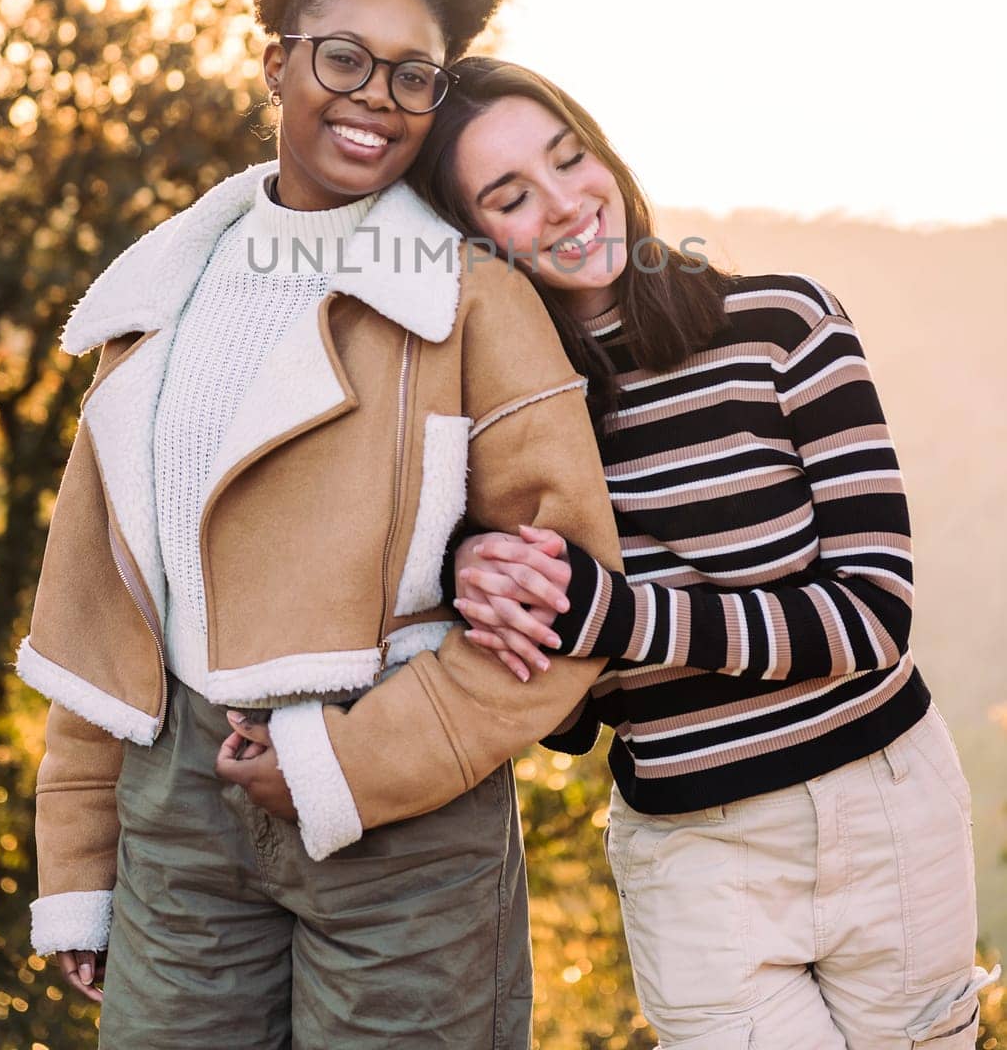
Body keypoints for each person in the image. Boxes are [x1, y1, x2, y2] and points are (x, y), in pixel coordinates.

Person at [17, 0, 622, 1050]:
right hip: (177, 813)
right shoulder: (159, 296)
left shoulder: (470, 298)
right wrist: (80, 859)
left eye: (412, 75)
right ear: (275, 64)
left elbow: (561, 616)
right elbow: (108, 608)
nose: (377, 100)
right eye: (344, 59)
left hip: (400, 817)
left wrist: (344, 762)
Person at [412, 55, 997, 1050]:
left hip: (886, 807)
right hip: (694, 851)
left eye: (569, 158)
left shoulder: (782, 321)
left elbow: (869, 617)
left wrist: (614, 613)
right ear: (470, 243)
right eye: (511, 195)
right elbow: (565, 717)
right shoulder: (491, 432)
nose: (565, 203)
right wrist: (476, 578)